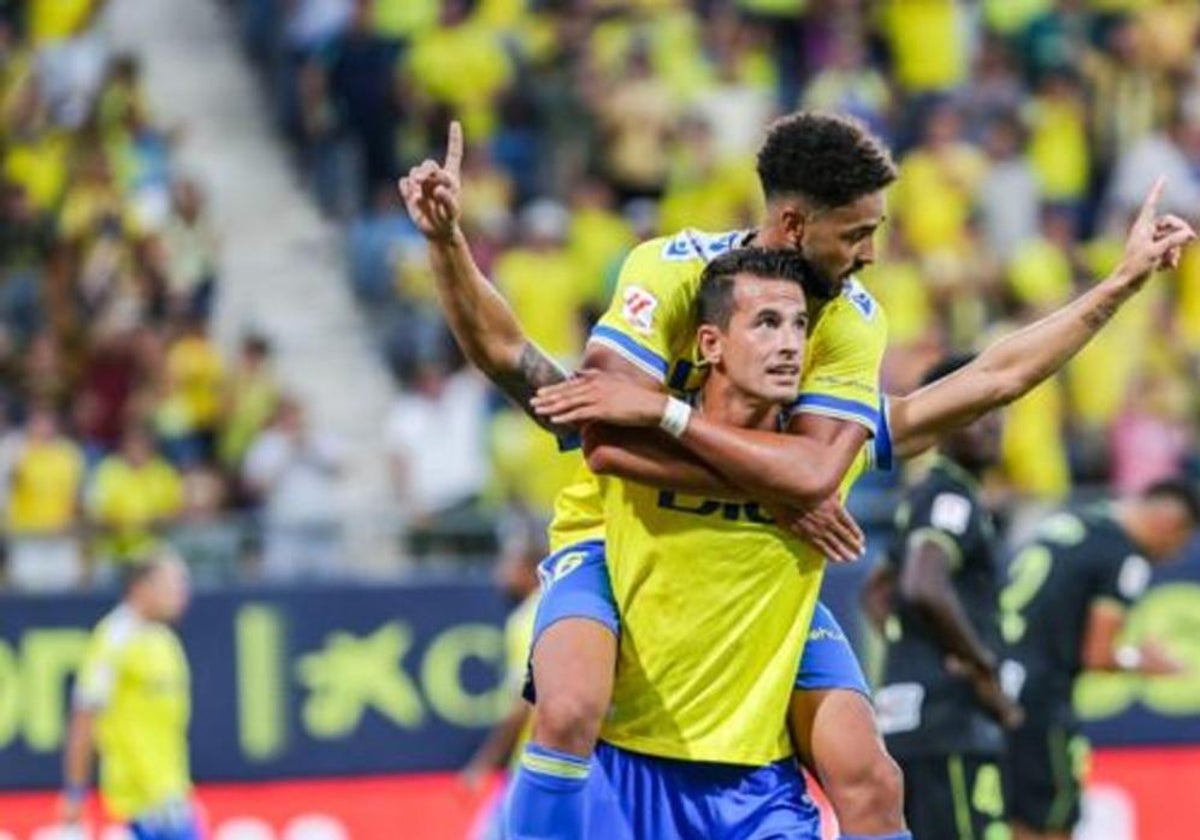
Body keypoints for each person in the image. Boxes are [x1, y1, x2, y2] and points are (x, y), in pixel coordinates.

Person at [404, 118, 1194, 838]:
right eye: (855, 233)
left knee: (871, 780)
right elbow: (597, 433)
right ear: (792, 225)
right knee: (570, 708)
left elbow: (961, 394)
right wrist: (448, 246)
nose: (871, 255)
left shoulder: (848, 315)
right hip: (616, 547)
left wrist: (1116, 287)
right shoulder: (673, 273)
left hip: (764, 573)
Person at [867, 354, 1022, 840]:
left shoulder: (923, 496)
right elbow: (922, 583)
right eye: (978, 411)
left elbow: (878, 591)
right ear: (943, 416)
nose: (993, 424)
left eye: (997, 410)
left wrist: (913, 647)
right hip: (947, 723)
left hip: (910, 717)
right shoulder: (951, 497)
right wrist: (979, 665)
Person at [1001, 479, 1200, 840]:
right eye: (1179, 543)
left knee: (1009, 813)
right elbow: (1098, 653)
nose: (1172, 555)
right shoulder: (1123, 556)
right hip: (1043, 695)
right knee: (1052, 818)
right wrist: (1141, 660)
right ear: (1170, 522)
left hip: (997, 682)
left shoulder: (1073, 523)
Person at [62, 551, 200, 840]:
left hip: (170, 796)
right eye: (172, 584)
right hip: (134, 803)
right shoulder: (114, 638)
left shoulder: (165, 641)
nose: (181, 593)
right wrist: (75, 792)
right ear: (142, 587)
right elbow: (85, 716)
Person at [460, 511, 546, 840]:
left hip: (532, 763)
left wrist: (482, 764)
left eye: (507, 562)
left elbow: (522, 703)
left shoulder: (526, 620)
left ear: (529, 567)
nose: (499, 572)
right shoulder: (562, 606)